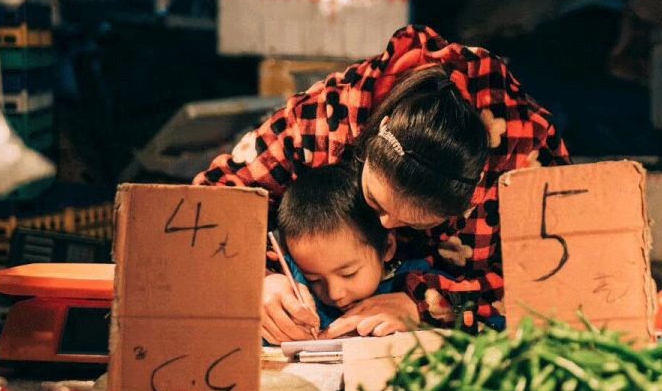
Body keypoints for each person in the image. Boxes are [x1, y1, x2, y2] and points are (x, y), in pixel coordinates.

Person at [196, 25, 570, 341]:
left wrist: (427, 306)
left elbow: (559, 285)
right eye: (374, 203)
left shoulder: (528, 159)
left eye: (418, 222)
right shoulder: (326, 119)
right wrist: (257, 278)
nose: (387, 226)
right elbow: (204, 207)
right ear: (375, 133)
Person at [275, 162, 471, 342]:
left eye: (348, 273)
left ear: (387, 247)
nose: (334, 294)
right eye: (314, 279)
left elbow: (478, 316)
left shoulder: (418, 283)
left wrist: (424, 312)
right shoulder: (295, 291)